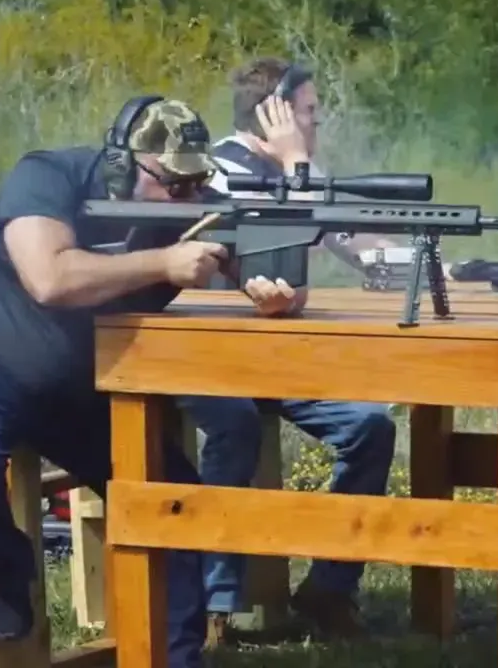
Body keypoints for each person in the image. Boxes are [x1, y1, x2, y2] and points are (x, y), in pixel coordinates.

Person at [0, 96, 302, 668]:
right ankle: (9, 567)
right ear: (121, 163)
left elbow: (275, 270)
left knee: (171, 502)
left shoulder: (197, 207)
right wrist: (164, 263)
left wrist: (273, 289)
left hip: (76, 388)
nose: (184, 198)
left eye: (195, 184)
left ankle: (176, 658)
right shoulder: (47, 177)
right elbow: (50, 278)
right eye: (172, 184)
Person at [176, 57, 402, 648]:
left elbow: (356, 242)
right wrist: (297, 165)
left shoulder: (296, 169)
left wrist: (437, 268)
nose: (316, 121)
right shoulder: (218, 175)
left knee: (370, 425)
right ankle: (213, 610)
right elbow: (246, 269)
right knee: (235, 426)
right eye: (307, 110)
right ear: (273, 113)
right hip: (206, 358)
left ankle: (328, 589)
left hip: (277, 359)